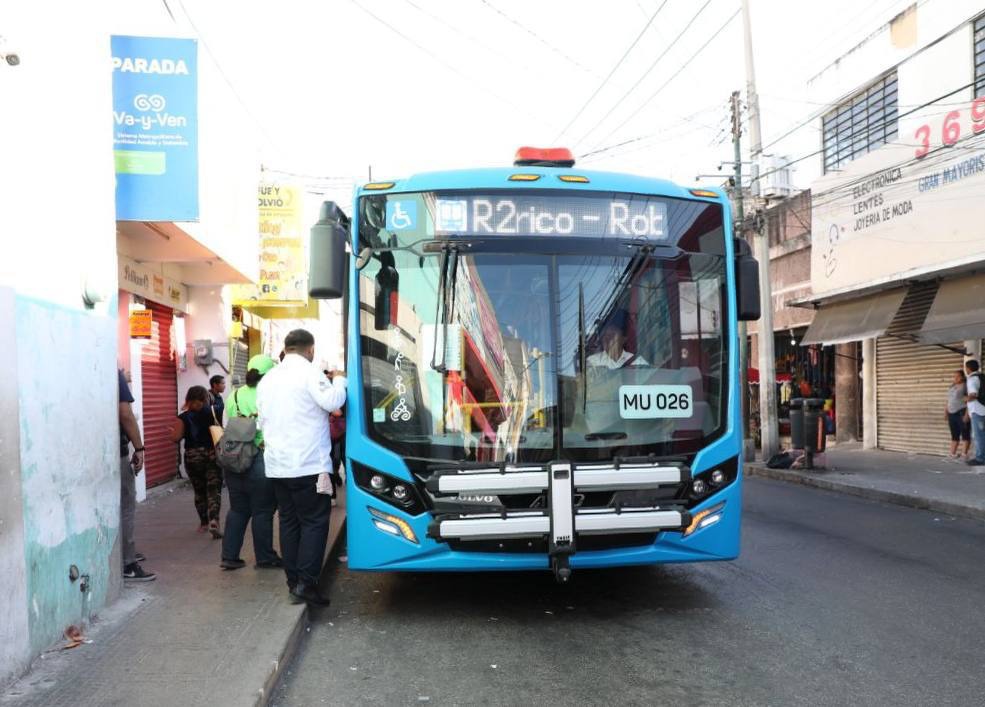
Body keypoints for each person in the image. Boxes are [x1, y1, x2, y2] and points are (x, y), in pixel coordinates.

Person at [258, 329, 346, 606]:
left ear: (287, 348)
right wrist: (341, 380)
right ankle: (307, 583)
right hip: (309, 465)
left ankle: (293, 582)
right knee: (315, 523)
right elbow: (333, 402)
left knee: (289, 522)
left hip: (277, 467)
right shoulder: (310, 372)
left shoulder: (268, 379)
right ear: (310, 350)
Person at [219, 355, 282, 571]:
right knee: (262, 510)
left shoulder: (233, 396)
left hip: (234, 458)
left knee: (238, 509)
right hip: (259, 457)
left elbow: (226, 424)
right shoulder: (271, 395)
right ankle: (265, 558)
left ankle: (229, 556)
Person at [118, 369, 156, 581]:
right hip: (117, 454)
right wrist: (139, 448)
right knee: (126, 507)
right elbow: (125, 414)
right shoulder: (115, 375)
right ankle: (128, 563)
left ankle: (123, 555)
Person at [171, 386, 224, 538]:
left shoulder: (183, 417)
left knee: (199, 490)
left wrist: (171, 433)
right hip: (211, 454)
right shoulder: (214, 412)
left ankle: (204, 523)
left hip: (192, 456)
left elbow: (175, 438)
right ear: (205, 397)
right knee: (214, 490)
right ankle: (214, 520)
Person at [946, 369, 971, 459]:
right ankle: (952, 454)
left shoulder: (965, 386)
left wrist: (967, 415)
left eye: (958, 376)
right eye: (954, 376)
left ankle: (964, 454)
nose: (955, 378)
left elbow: (969, 401)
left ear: (963, 377)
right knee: (954, 434)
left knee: (965, 433)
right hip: (951, 413)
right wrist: (946, 411)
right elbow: (949, 400)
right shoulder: (952, 386)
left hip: (961, 412)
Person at [965, 359, 985, 465]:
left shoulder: (972, 379)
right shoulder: (982, 377)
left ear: (968, 368)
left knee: (979, 435)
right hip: (983, 409)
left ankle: (980, 458)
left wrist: (965, 399)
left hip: (978, 411)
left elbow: (973, 395)